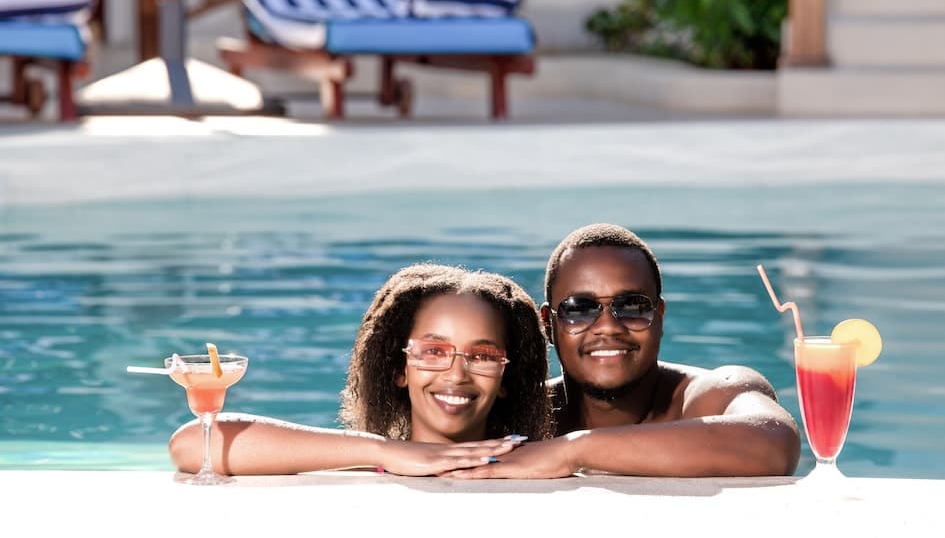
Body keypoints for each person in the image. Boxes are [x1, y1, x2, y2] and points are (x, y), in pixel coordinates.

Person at [448, 223, 801, 479]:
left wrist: (573, 450)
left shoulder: (708, 396)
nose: (607, 327)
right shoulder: (520, 413)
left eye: (632, 306)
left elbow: (775, 444)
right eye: (579, 309)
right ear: (548, 324)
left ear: (660, 317)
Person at [169, 263, 551, 476]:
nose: (456, 374)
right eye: (433, 351)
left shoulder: (536, 464)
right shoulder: (367, 466)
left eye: (482, 356)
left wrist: (567, 453)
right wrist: (385, 451)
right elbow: (190, 445)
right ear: (399, 368)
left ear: (507, 374)